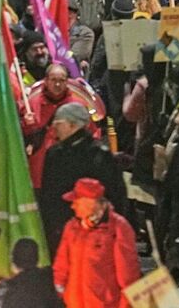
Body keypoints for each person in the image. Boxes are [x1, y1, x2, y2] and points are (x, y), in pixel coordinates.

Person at [37, 102, 129, 256]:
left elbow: (49, 197)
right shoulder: (100, 153)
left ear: (72, 125)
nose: (54, 127)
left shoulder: (57, 154)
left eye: (58, 123)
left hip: (70, 232)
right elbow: (117, 196)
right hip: (91, 234)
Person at [51, 178, 139, 308]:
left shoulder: (118, 228)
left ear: (90, 202)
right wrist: (58, 293)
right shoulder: (72, 227)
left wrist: (125, 305)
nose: (72, 206)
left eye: (76, 202)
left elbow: (128, 275)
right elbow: (61, 265)